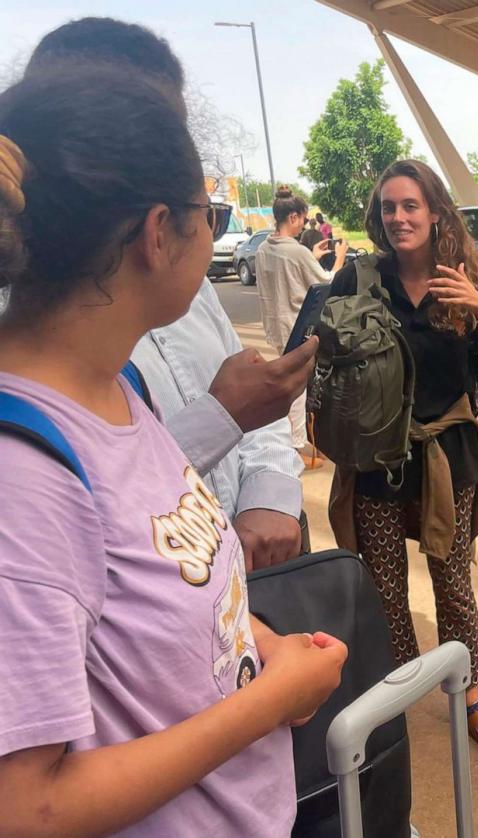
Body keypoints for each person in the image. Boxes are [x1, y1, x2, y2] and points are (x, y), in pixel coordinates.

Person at [0, 61, 346, 837]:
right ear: (159, 233)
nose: (211, 233)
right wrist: (270, 702)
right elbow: (26, 807)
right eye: (209, 216)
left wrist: (261, 647)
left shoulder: (115, 384)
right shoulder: (22, 477)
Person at [26, 17, 315, 571]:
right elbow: (78, 504)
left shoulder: (183, 294)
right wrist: (222, 415)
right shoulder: (37, 363)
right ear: (161, 228)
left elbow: (253, 395)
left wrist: (270, 492)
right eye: (206, 213)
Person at [325, 159, 478, 758]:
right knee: (383, 586)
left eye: (410, 206)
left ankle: (470, 692)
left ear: (436, 212)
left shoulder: (469, 278)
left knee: (452, 582)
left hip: (448, 457)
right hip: (377, 460)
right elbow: (321, 361)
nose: (398, 218)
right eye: (388, 207)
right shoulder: (359, 280)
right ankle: (400, 688)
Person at [255, 186, 348, 468]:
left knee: (291, 381)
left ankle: (294, 441)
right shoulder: (295, 252)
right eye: (304, 220)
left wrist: (310, 255)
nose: (304, 224)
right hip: (297, 326)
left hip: (275, 326)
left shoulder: (264, 248)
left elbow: (290, 273)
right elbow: (326, 281)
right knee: (297, 387)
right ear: (293, 217)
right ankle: (295, 448)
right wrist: (340, 256)